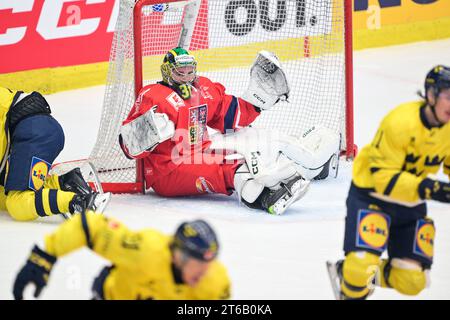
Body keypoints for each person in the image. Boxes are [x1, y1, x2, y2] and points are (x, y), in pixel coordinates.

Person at [119, 47, 339, 215]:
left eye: (190, 71)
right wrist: (147, 132)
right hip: (169, 169)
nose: (186, 77)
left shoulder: (201, 89)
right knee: (230, 165)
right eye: (180, 73)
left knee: (260, 139)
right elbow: (128, 147)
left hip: (201, 150)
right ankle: (266, 198)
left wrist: (256, 102)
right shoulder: (152, 96)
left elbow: (228, 113)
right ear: (168, 72)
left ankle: (312, 165)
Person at [326, 65, 450, 300]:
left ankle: (349, 272)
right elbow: (382, 176)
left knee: (413, 281)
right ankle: (353, 272)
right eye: (448, 96)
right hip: (372, 196)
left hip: (411, 204)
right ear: (431, 95)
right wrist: (428, 188)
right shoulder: (399, 122)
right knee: (359, 269)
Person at [13, 212, 230, 300]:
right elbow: (90, 226)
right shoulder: (146, 250)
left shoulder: (215, 283)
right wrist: (43, 258)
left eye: (208, 265)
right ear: (178, 256)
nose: (204, 273)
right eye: (198, 265)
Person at [0, 87, 110, 221]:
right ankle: (66, 183)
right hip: (36, 127)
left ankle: (80, 202)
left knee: (17, 203)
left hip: (34, 129)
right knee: (7, 195)